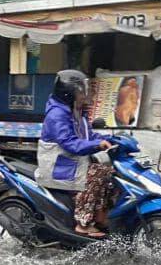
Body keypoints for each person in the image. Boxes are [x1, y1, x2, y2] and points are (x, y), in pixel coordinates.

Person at [35, 69, 114, 238]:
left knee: (110, 171)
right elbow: (70, 143)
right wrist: (98, 145)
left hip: (73, 161)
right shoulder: (57, 114)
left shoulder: (77, 111)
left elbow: (89, 136)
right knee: (98, 174)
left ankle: (100, 216)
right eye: (80, 90)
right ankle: (82, 224)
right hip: (59, 164)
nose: (84, 94)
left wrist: (112, 139)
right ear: (68, 93)